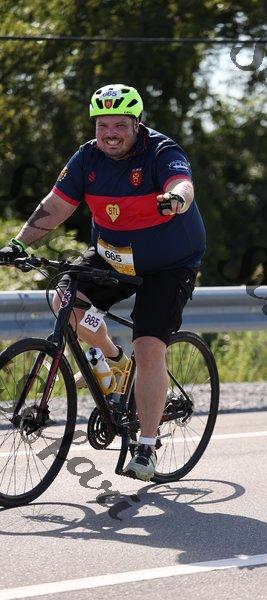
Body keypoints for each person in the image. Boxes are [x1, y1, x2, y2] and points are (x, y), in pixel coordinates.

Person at [0, 83, 206, 481]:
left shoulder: (161, 152)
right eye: (102, 125)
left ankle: (146, 446)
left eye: (119, 125)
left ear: (137, 124)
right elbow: (56, 205)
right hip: (114, 255)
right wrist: (18, 243)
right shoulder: (87, 158)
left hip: (168, 265)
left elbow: (182, 184)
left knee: (149, 347)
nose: (110, 133)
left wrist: (176, 199)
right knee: (65, 301)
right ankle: (113, 358)